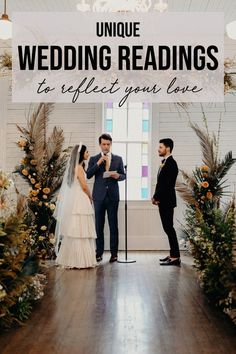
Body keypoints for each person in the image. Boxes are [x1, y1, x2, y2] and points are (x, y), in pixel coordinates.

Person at [54, 143, 97, 269]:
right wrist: (90, 196)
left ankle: (71, 259)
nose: (88, 153)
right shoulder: (79, 168)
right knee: (81, 228)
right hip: (81, 198)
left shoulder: (76, 167)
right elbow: (84, 185)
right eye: (87, 151)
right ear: (81, 154)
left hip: (75, 199)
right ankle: (80, 261)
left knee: (75, 228)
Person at [87, 133, 126, 263]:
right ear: (100, 144)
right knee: (99, 226)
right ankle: (99, 253)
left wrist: (117, 176)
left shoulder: (118, 159)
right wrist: (98, 163)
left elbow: (123, 175)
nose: (106, 146)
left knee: (113, 225)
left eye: (108, 144)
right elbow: (88, 175)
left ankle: (114, 254)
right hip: (98, 197)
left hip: (113, 197)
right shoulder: (93, 159)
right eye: (103, 144)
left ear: (111, 144)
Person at [152, 138, 181, 266]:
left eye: (160, 147)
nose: (158, 149)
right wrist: (155, 196)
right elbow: (160, 182)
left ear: (167, 148)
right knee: (167, 227)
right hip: (164, 200)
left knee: (169, 228)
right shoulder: (165, 162)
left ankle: (175, 257)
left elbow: (166, 185)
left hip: (167, 201)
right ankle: (173, 254)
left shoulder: (171, 164)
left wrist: (156, 196)